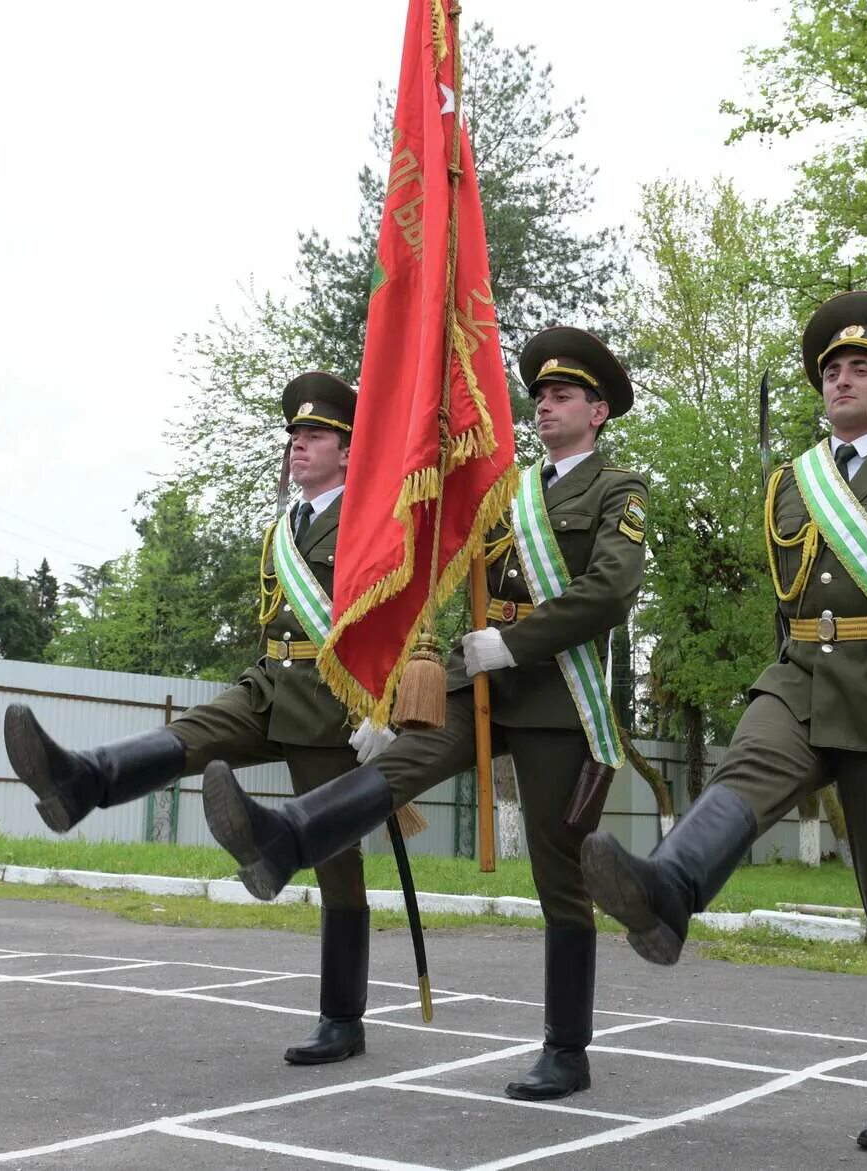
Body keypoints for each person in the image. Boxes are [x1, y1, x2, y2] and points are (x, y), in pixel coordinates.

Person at [580, 291, 867, 1152]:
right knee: (745, 771)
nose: (842, 380)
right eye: (832, 370)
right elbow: (792, 604)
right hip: (799, 682)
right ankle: (667, 890)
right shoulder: (792, 482)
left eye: (862, 368)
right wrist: (781, 675)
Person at [202, 325, 649, 1103]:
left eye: (563, 395)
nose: (545, 406)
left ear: (599, 411)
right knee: (396, 766)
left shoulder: (619, 491)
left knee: (558, 878)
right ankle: (287, 834)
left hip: (556, 697)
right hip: (477, 679)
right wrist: (409, 674)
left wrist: (514, 645)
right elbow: (439, 571)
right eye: (539, 394)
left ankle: (566, 1049)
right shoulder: (507, 490)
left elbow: (610, 589)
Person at [1, 373, 391, 1066]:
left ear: (348, 449)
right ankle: (81, 779)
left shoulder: (370, 518)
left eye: (315, 437)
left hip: (333, 703)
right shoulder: (283, 527)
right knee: (189, 736)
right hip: (269, 683)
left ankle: (342, 1018)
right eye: (295, 437)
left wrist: (388, 704)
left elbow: (398, 612)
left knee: (338, 866)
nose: (299, 447)